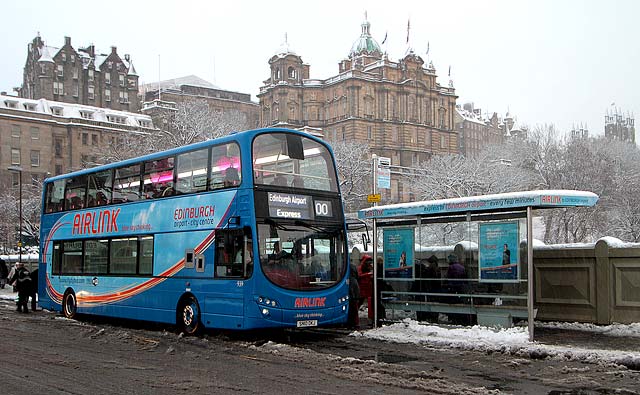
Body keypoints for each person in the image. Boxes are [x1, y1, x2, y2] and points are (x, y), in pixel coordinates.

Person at [357, 255, 374, 324]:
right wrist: (368, 274)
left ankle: (371, 317)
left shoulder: (368, 267)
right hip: (363, 287)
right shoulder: (360, 268)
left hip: (368, 287)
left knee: (369, 302)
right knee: (360, 302)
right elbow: (359, 275)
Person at [346, 261, 360, 329]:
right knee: (355, 308)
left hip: (352, 293)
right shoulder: (354, 266)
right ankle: (355, 322)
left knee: (351, 308)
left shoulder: (346, 266)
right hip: (355, 289)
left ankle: (351, 323)